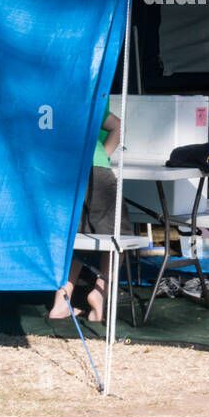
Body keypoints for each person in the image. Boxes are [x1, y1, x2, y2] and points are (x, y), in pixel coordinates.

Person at [50, 110, 121, 322]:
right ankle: (100, 292)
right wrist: (103, 156)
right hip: (94, 165)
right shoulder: (93, 84)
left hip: (62, 170)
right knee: (118, 236)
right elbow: (116, 124)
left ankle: (61, 302)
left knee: (77, 237)